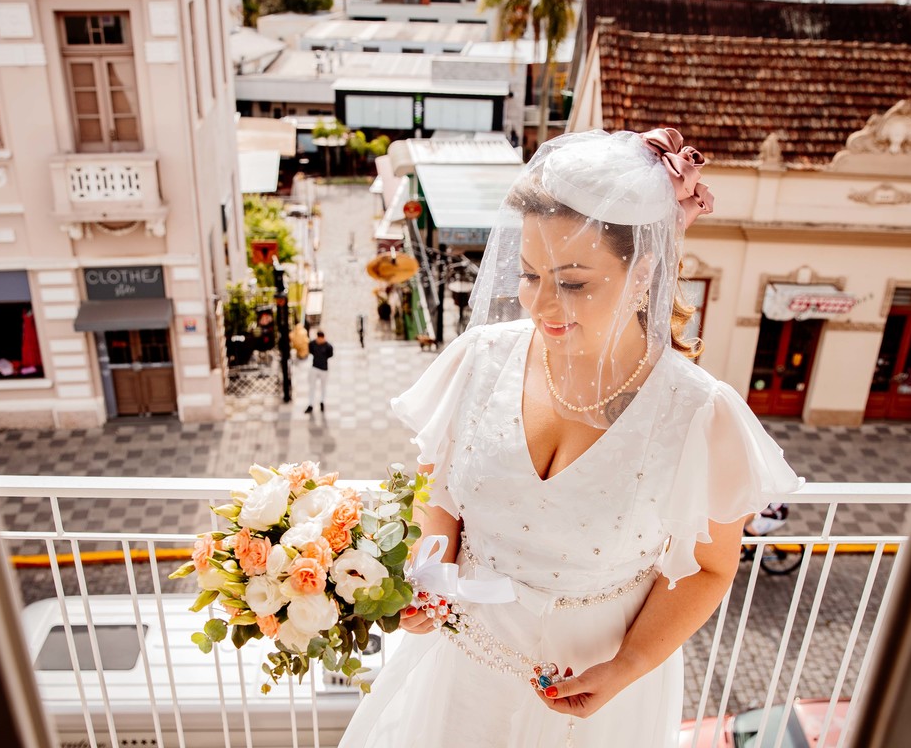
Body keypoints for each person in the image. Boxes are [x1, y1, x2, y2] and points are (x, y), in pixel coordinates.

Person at [339, 128, 804, 747]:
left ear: (643, 272)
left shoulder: (699, 414)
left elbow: (713, 568)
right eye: (530, 274)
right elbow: (442, 496)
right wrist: (427, 578)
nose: (542, 304)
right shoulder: (480, 360)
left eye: (574, 282)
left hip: (592, 694)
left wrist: (629, 666)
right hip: (458, 672)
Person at [304, 330, 333, 414]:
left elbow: (330, 355)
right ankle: (311, 404)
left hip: (324, 369)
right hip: (315, 367)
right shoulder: (313, 344)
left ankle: (322, 401)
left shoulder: (328, 346)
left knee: (323, 386)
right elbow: (311, 351)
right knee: (312, 386)